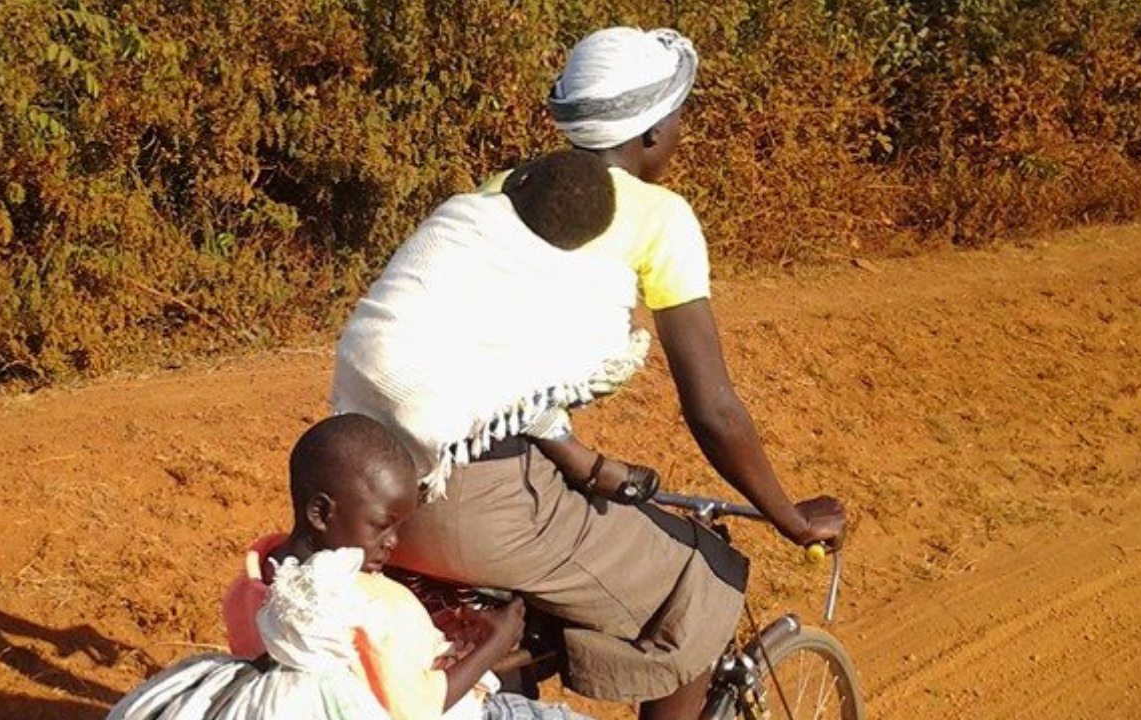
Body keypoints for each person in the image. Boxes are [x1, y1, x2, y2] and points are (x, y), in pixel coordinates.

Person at [330, 28, 847, 720]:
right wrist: (790, 518)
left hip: (379, 487)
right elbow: (713, 408)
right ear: (655, 132)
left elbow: (489, 369)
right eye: (682, 117)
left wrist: (579, 457)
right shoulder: (661, 219)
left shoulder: (506, 192)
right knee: (701, 573)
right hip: (487, 504)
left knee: (573, 559)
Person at [108, 414, 589, 720]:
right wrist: (496, 644)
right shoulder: (359, 601)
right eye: (382, 525)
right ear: (321, 513)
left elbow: (359, 662)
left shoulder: (252, 586)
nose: (393, 542)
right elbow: (417, 707)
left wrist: (428, 630)